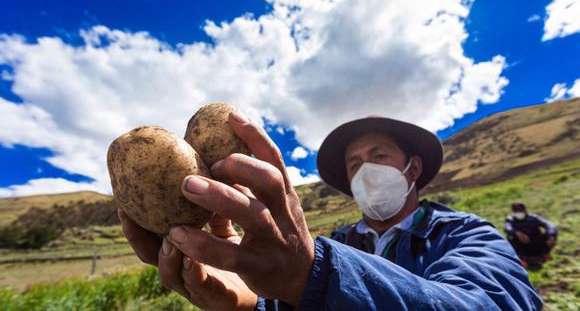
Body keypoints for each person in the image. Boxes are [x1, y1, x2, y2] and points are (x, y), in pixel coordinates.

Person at [118, 113, 543, 310]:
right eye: (356, 164)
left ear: (412, 167)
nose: (367, 169)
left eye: (379, 155)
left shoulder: (468, 235)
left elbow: (491, 305)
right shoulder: (337, 243)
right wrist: (250, 302)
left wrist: (313, 276)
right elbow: (298, 299)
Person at [504, 203, 557, 269]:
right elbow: (507, 228)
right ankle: (521, 259)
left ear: (525, 210)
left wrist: (551, 235)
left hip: (535, 244)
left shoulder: (533, 218)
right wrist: (516, 233)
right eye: (516, 211)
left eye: (520, 211)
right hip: (521, 246)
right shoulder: (511, 219)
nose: (519, 213)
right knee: (510, 237)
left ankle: (544, 254)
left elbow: (549, 224)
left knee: (551, 233)